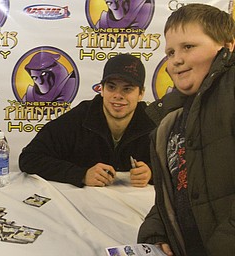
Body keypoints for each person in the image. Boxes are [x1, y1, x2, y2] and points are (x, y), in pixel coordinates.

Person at [137, 4, 235, 256]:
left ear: (228, 46)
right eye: (170, 52)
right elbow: (176, 186)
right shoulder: (172, 117)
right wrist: (157, 229)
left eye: (188, 47)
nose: (176, 59)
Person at [19, 53, 156, 188]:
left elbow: (174, 167)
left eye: (127, 89)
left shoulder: (153, 123)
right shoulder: (79, 118)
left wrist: (152, 172)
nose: (118, 95)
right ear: (101, 89)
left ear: (141, 94)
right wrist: (81, 175)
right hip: (80, 204)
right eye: (111, 87)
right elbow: (29, 158)